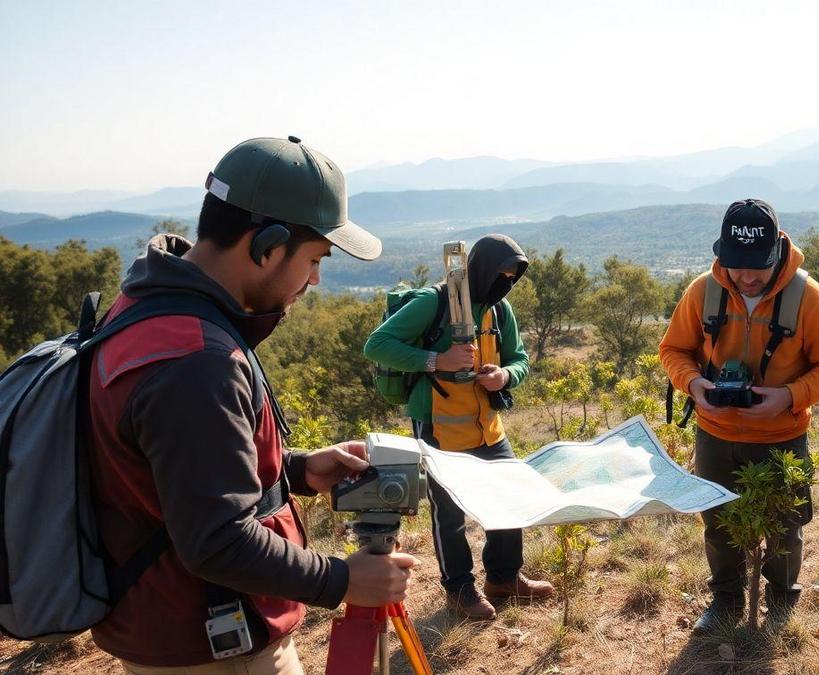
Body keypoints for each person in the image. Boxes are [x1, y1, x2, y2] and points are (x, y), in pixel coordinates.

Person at [86, 137, 415, 673]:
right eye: (313, 259)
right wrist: (343, 578)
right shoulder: (196, 361)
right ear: (267, 244)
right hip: (216, 646)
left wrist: (300, 469)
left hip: (178, 629)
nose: (314, 280)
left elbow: (177, 473)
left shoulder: (147, 307)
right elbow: (215, 539)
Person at [659, 198, 819, 631]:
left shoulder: (808, 297)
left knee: (786, 526)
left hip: (782, 436)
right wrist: (693, 384)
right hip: (715, 434)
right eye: (736, 266)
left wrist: (789, 396)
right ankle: (726, 601)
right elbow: (673, 349)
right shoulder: (702, 291)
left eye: (757, 267)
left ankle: (782, 602)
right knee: (718, 521)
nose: (746, 277)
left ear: (777, 252)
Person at [363, 234, 553, 621]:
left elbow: (519, 360)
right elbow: (377, 345)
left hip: (488, 428)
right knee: (448, 513)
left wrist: (505, 375)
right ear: (480, 269)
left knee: (509, 499)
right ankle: (459, 590)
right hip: (438, 428)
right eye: (501, 273)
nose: (506, 282)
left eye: (513, 276)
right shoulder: (433, 302)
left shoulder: (501, 312)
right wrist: (437, 359)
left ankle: (503, 578)